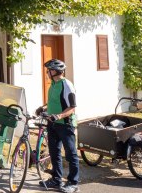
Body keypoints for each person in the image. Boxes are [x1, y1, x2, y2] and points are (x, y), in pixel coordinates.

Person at [36, 59, 79, 193]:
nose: (47, 73)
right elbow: (55, 102)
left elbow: (72, 107)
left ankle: (73, 183)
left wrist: (59, 116)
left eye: (48, 70)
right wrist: (43, 108)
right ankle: (56, 179)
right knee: (54, 152)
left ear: (54, 71)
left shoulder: (67, 85)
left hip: (65, 125)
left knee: (71, 154)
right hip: (53, 124)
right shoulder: (53, 85)